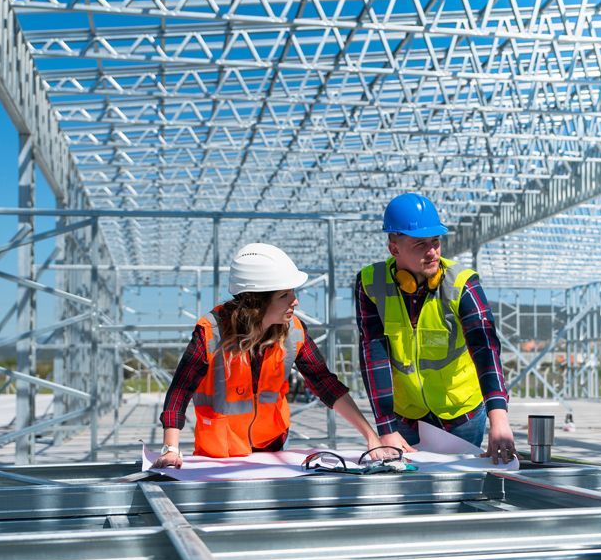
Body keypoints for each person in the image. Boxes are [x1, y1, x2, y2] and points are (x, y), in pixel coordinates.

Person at [153, 243, 386, 469]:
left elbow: (324, 383)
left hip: (272, 452)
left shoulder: (294, 331)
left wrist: (371, 437)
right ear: (257, 302)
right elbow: (180, 391)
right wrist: (170, 448)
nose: (295, 301)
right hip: (219, 455)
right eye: (285, 295)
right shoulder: (210, 331)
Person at [355, 193, 518, 464]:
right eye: (420, 244)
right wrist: (386, 428)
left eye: (436, 241)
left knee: (461, 494)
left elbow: (486, 349)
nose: (432, 252)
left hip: (461, 414)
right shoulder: (371, 284)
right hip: (406, 416)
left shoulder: (461, 283)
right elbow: (374, 356)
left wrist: (498, 418)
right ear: (394, 249)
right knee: (409, 494)